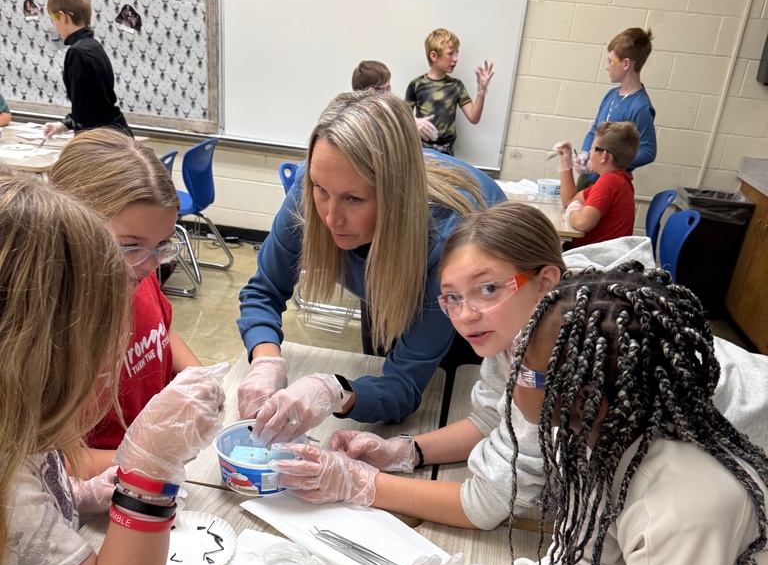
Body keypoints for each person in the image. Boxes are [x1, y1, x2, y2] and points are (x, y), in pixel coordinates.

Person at [274, 205, 768, 530]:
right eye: (450, 298)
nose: (465, 315)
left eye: (488, 288)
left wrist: (359, 483)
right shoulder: (527, 327)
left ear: (546, 279)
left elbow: (488, 504)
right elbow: (496, 418)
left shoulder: (567, 357)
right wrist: (404, 451)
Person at [394, 263, 768, 565]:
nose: (511, 370)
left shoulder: (685, 506)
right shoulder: (606, 443)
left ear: (581, 395)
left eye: (523, 365)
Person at [0, 176, 224, 565]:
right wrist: (148, 467)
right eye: (101, 327)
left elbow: (33, 485)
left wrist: (76, 497)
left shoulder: (17, 411)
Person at [236, 90, 507, 439]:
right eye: (321, 190)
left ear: (396, 197)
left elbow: (404, 386)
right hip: (398, 268)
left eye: (354, 198)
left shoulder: (445, 238)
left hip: (467, 299)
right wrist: (265, 358)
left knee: (448, 399)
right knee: (375, 362)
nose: (331, 218)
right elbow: (263, 290)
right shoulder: (315, 186)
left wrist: (336, 391)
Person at [50, 128, 202, 478]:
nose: (151, 263)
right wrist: (148, 457)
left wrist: (196, 378)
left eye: (163, 244)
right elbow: (59, 463)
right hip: (103, 484)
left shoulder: (136, 272)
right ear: (71, 229)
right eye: (129, 245)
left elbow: (160, 336)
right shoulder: (53, 323)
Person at [42, 0, 132, 139]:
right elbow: (95, 103)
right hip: (115, 132)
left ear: (63, 17)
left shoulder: (77, 53)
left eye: (54, 20)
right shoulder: (93, 46)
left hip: (102, 140)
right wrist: (65, 124)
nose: (55, 26)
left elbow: (83, 110)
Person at [570, 27, 655, 188]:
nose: (607, 67)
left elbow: (648, 151)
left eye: (611, 61)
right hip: (590, 179)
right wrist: (586, 154)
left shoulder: (640, 107)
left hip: (609, 185)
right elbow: (595, 130)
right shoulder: (611, 95)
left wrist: (610, 162)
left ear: (626, 64)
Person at [405, 28, 494, 156]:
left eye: (457, 53)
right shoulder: (417, 85)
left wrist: (482, 90)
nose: (456, 58)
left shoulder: (456, 86)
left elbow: (474, 118)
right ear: (434, 56)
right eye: (450, 53)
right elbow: (404, 118)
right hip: (421, 149)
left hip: (447, 151)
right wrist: (415, 122)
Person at [554, 121, 639, 248]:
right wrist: (565, 162)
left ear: (604, 156)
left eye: (593, 149)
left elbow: (582, 223)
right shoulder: (618, 180)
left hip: (594, 260)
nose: (590, 153)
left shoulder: (609, 182)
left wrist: (573, 210)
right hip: (595, 254)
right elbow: (569, 200)